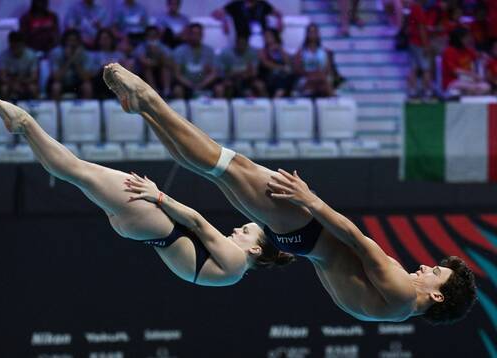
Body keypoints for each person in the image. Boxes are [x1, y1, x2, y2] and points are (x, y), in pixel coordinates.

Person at [103, 63, 478, 324]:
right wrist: (300, 241)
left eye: (436, 273)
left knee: (226, 164)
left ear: (438, 296)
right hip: (302, 240)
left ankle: (147, 98)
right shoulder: (385, 310)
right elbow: (332, 268)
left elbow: (356, 238)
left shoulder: (399, 295)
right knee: (215, 169)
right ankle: (144, 110)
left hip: (307, 229)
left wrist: (309, 201)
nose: (428, 266)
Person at [0, 98, 295, 286]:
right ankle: (24, 129)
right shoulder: (229, 276)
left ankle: (26, 122)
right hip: (142, 230)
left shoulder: (236, 261)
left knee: (77, 170)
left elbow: (198, 222)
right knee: (76, 173)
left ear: (255, 249)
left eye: (244, 231)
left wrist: (157, 195)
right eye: (243, 226)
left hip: (151, 219)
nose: (236, 229)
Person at [172, 23, 218, 99]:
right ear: (189, 35)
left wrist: (203, 84)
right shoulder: (179, 51)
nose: (196, 36)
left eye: (199, 33)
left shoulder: (209, 51)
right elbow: (177, 74)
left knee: (219, 88)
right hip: (186, 84)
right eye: (193, 33)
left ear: (202, 35)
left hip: (204, 83)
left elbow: (214, 73)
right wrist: (191, 85)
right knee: (177, 90)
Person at [441, 27, 490, 96]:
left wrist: (484, 56)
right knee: (473, 88)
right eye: (466, 37)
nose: (469, 39)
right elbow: (455, 70)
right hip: (453, 82)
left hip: (469, 81)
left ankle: (469, 95)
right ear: (459, 38)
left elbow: (479, 55)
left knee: (486, 87)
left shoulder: (467, 50)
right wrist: (472, 74)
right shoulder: (449, 51)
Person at [212, 0, 282, 47]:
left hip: (262, 39)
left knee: (274, 45)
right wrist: (225, 20)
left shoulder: (262, 4)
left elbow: (278, 13)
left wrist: (279, 20)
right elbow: (215, 13)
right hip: (243, 40)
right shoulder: (236, 4)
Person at [48, 29, 94, 99]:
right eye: (69, 40)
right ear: (64, 42)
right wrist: (69, 59)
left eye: (74, 40)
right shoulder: (56, 53)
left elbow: (85, 77)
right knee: (56, 87)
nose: (72, 43)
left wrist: (75, 61)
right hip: (62, 82)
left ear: (79, 42)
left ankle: (88, 109)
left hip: (77, 83)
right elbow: (56, 77)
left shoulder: (85, 54)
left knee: (87, 87)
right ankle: (55, 109)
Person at [294, 23, 334, 97]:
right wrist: (310, 74)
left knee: (323, 83)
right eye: (310, 32)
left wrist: (318, 74)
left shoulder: (324, 51)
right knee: (315, 83)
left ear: (318, 34)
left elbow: (328, 69)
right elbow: (297, 68)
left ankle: (331, 103)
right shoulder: (301, 52)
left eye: (314, 32)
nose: (312, 34)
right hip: (306, 77)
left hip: (321, 77)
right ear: (307, 34)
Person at [0, 31, 39, 100]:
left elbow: (34, 77)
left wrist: (21, 82)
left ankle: (35, 108)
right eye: (13, 46)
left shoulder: (31, 55)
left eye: (18, 46)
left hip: (25, 83)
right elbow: (2, 77)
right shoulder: (3, 56)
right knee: (4, 88)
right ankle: (4, 108)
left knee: (33, 88)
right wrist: (13, 84)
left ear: (23, 44)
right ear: (10, 44)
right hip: (10, 83)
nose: (16, 49)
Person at [134, 25, 172, 97]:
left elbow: (168, 62)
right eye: (150, 36)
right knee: (147, 68)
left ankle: (167, 91)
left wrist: (158, 53)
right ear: (146, 37)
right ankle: (155, 92)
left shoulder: (163, 47)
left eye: (154, 36)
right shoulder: (141, 47)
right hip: (144, 74)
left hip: (160, 71)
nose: (152, 38)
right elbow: (144, 61)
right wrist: (158, 61)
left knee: (165, 68)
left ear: (158, 36)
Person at [407, 0, 434, 98]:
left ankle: (412, 91)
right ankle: (427, 91)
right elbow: (421, 28)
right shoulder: (418, 9)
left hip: (412, 42)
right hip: (419, 43)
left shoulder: (413, 8)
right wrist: (426, 45)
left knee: (413, 68)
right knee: (426, 68)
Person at [91, 28, 127, 99]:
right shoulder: (94, 55)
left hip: (118, 79)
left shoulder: (120, 55)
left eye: (107, 38)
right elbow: (91, 73)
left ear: (111, 40)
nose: (105, 41)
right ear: (98, 41)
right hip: (100, 80)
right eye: (103, 38)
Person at [259, 29, 294, 98]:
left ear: (275, 37)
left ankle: (278, 97)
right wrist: (281, 68)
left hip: (282, 75)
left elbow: (288, 62)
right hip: (269, 75)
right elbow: (265, 63)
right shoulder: (263, 51)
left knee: (288, 77)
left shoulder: (280, 49)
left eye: (269, 35)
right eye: (265, 36)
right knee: (280, 80)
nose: (267, 37)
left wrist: (280, 49)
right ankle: (276, 99)